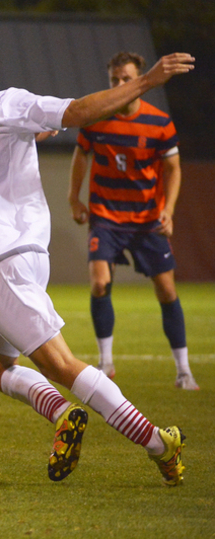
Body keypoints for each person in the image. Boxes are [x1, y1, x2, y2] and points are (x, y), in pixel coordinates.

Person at [0, 31, 193, 486]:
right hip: (23, 252)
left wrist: (147, 81)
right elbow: (79, 113)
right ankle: (61, 415)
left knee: (60, 365)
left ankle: (158, 441)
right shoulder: (9, 104)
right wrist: (146, 82)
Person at [68, 52, 198, 391]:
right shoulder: (96, 117)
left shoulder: (159, 123)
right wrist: (73, 197)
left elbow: (173, 168)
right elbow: (81, 154)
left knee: (167, 290)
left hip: (145, 220)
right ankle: (106, 363)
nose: (120, 85)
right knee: (99, 283)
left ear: (141, 80)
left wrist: (168, 208)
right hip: (106, 216)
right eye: (114, 80)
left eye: (127, 79)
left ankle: (183, 370)